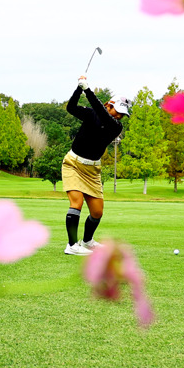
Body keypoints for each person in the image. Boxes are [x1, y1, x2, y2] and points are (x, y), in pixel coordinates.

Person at [61, 75, 131, 255]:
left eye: (123, 114)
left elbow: (102, 114)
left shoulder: (115, 126)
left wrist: (88, 90)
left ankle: (87, 241)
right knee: (76, 203)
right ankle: (72, 245)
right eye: (118, 110)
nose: (120, 115)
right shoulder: (92, 114)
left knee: (97, 212)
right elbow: (71, 108)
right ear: (109, 104)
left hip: (92, 170)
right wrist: (79, 89)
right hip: (73, 164)